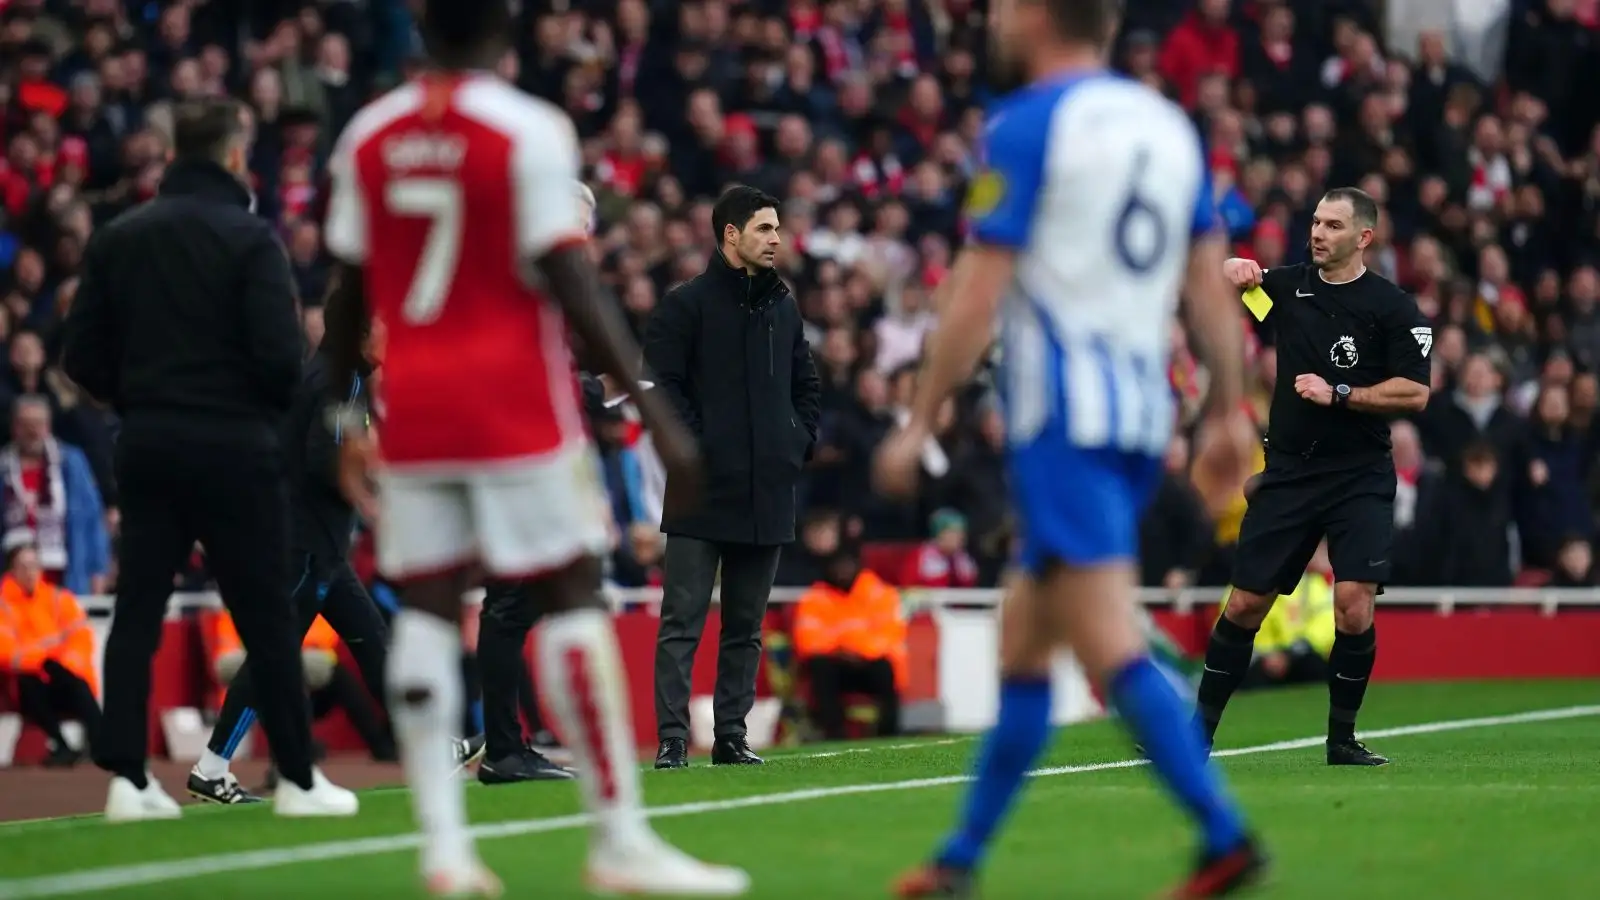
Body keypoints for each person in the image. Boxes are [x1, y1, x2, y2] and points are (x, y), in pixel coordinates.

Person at [317, 0, 748, 893]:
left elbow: (346, 302)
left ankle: (443, 849)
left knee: (431, 608)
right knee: (573, 589)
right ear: (504, 38)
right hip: (514, 400)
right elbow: (570, 283)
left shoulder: (369, 135)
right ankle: (618, 838)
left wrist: (336, 423)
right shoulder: (526, 130)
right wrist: (660, 416)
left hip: (419, 407)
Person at [872, 0, 1267, 895]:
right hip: (1137, 417)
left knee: (1106, 642)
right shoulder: (1169, 127)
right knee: (1023, 642)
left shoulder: (1027, 123)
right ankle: (960, 860)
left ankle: (1225, 833)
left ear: (1042, 16)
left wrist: (920, 418)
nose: (995, 20)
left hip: (1063, 419)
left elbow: (977, 285)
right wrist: (1225, 410)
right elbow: (1209, 280)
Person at [61, 97, 355, 822]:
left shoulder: (118, 238)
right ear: (231, 155)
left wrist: (141, 399)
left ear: (172, 153)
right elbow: (283, 364)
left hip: (150, 443)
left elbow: (81, 361)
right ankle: (297, 777)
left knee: (137, 613)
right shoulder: (250, 239)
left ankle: (128, 781)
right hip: (235, 448)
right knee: (265, 615)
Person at [1194, 186, 1432, 768]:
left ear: (1363, 238)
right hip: (1290, 474)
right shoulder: (1288, 287)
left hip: (1358, 476)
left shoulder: (1393, 309)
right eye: (1316, 222)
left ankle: (1342, 740)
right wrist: (1232, 271)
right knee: (1246, 604)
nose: (1318, 233)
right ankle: (1194, 736)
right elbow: (1234, 294)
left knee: (1353, 603)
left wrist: (1341, 393)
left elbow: (1416, 392)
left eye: (1332, 225)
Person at [184, 342, 477, 804]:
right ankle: (212, 767)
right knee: (273, 657)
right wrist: (372, 489)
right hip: (308, 547)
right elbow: (324, 459)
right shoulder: (339, 383)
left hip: (320, 547)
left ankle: (432, 750)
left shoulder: (337, 377)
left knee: (375, 641)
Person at [643, 184, 822, 769]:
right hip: (702, 490)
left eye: (777, 229)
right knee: (682, 622)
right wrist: (698, 451)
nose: (776, 239)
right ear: (730, 236)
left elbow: (808, 386)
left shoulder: (783, 306)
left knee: (745, 628)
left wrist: (792, 445)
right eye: (765, 229)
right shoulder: (685, 305)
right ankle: (673, 740)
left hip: (766, 489)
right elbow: (661, 388)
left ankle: (731, 737)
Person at [0, 540, 101, 768]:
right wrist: (44, 653)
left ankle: (102, 742)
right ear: (12, 570)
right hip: (24, 685)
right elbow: (7, 653)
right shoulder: (4, 604)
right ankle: (61, 745)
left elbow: (81, 636)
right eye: (23, 566)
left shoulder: (57, 598)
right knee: (29, 681)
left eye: (34, 566)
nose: (29, 572)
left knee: (74, 681)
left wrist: (55, 658)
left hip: (58, 675)